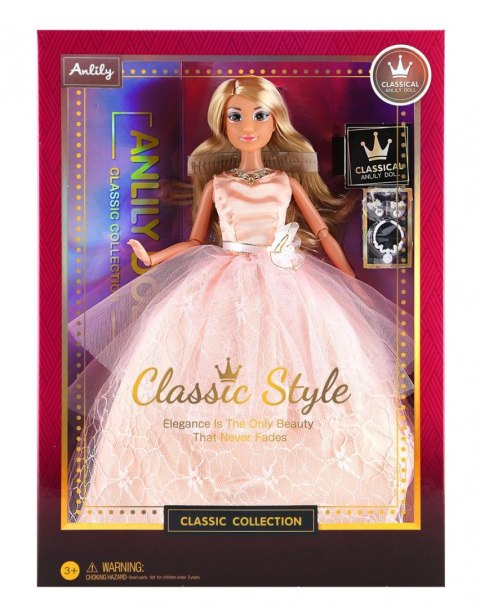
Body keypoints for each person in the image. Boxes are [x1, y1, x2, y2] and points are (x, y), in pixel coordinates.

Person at [69, 76, 414, 525]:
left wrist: (349, 280)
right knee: (203, 368)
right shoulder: (218, 183)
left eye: (258, 115)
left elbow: (322, 231)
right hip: (220, 279)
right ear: (223, 123)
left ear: (275, 122)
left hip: (288, 283)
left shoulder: (286, 180)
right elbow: (197, 240)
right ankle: (193, 483)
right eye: (235, 117)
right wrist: (152, 258)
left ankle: (313, 483)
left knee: (308, 371)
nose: (247, 126)